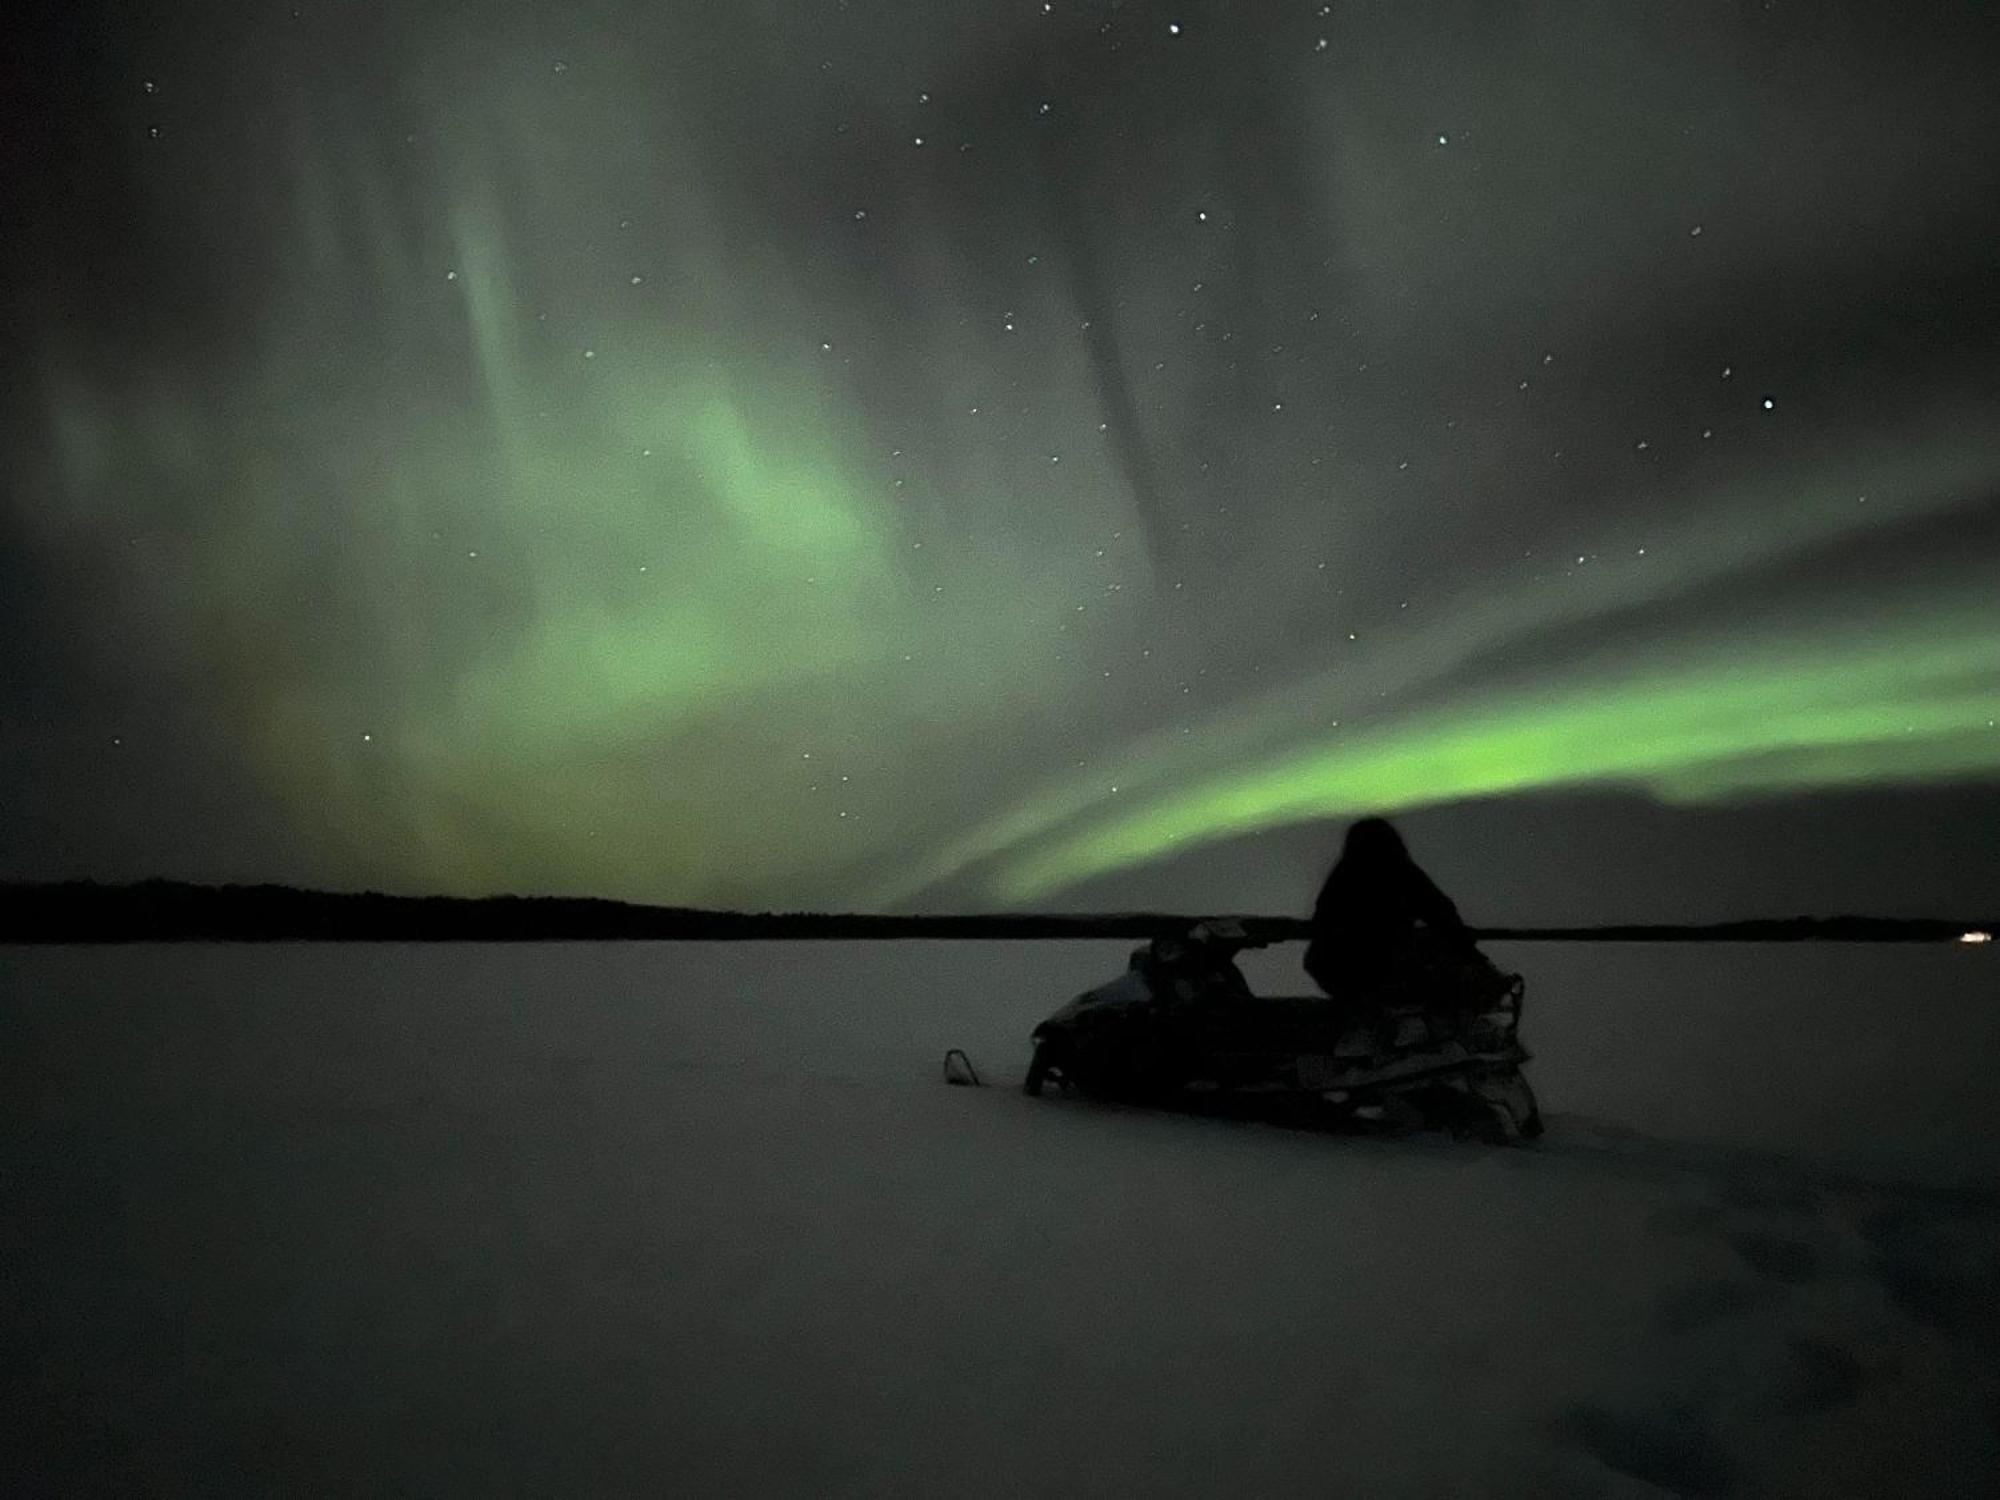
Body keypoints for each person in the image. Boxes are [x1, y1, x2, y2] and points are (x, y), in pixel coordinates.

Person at [1303, 817, 1472, 1001]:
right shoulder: (1401, 873)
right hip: (1378, 968)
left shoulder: (1342, 876)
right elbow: (1441, 912)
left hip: (1336, 969)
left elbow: (1322, 922)